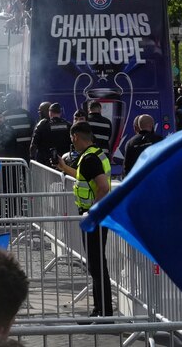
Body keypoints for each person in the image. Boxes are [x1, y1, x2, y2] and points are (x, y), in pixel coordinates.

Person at [55, 122, 113, 318]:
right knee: (96, 265)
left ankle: (104, 313)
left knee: (97, 266)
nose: (72, 142)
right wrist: (64, 168)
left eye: (72, 138)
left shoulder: (89, 158)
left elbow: (103, 187)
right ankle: (100, 311)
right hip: (96, 215)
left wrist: (92, 212)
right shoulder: (95, 154)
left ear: (76, 137)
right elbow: (86, 178)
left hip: (93, 217)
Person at [30, 103, 70, 168]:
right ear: (60, 112)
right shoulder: (68, 125)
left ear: (50, 113)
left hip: (45, 164)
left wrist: (32, 159)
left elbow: (33, 145)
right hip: (64, 163)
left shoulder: (42, 125)